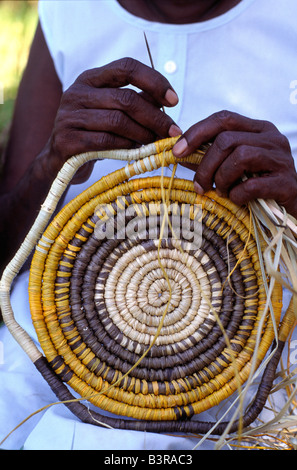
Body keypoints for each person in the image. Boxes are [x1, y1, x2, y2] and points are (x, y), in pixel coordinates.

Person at [0, 0, 296, 450]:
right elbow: (6, 254)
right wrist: (51, 163)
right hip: (55, 379)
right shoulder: (68, 11)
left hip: (265, 381)